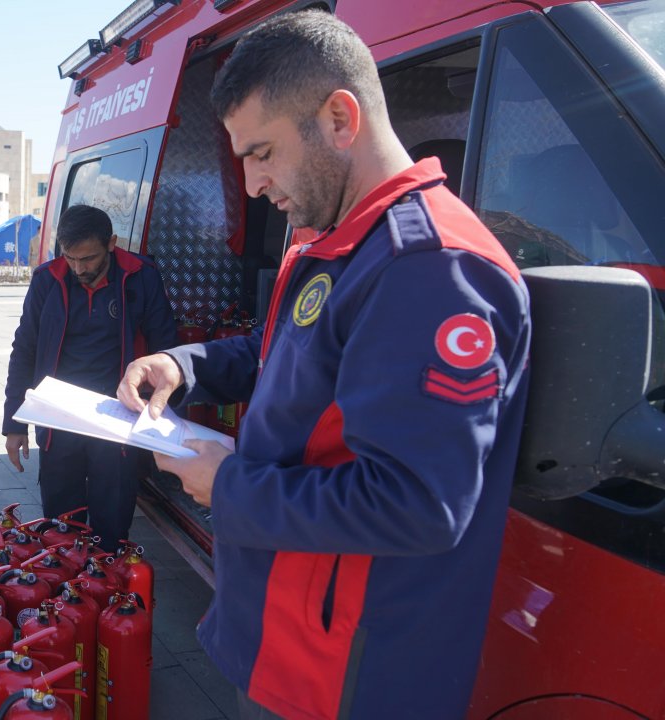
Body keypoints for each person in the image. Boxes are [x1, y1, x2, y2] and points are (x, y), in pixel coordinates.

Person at [115, 12, 531, 719]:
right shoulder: (339, 240)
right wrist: (184, 365)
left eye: (263, 153)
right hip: (287, 640)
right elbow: (286, 355)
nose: (251, 186)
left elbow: (418, 504)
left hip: (347, 677)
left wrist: (230, 487)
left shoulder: (430, 269)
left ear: (341, 117)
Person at [3, 204, 175, 551]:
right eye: (71, 258)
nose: (79, 269)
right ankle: (65, 597)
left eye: (89, 259)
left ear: (111, 243)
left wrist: (165, 423)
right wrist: (14, 422)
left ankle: (108, 593)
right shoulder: (47, 280)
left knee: (112, 525)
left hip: (117, 418)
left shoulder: (141, 276)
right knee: (60, 525)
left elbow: (166, 350)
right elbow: (25, 350)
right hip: (57, 417)